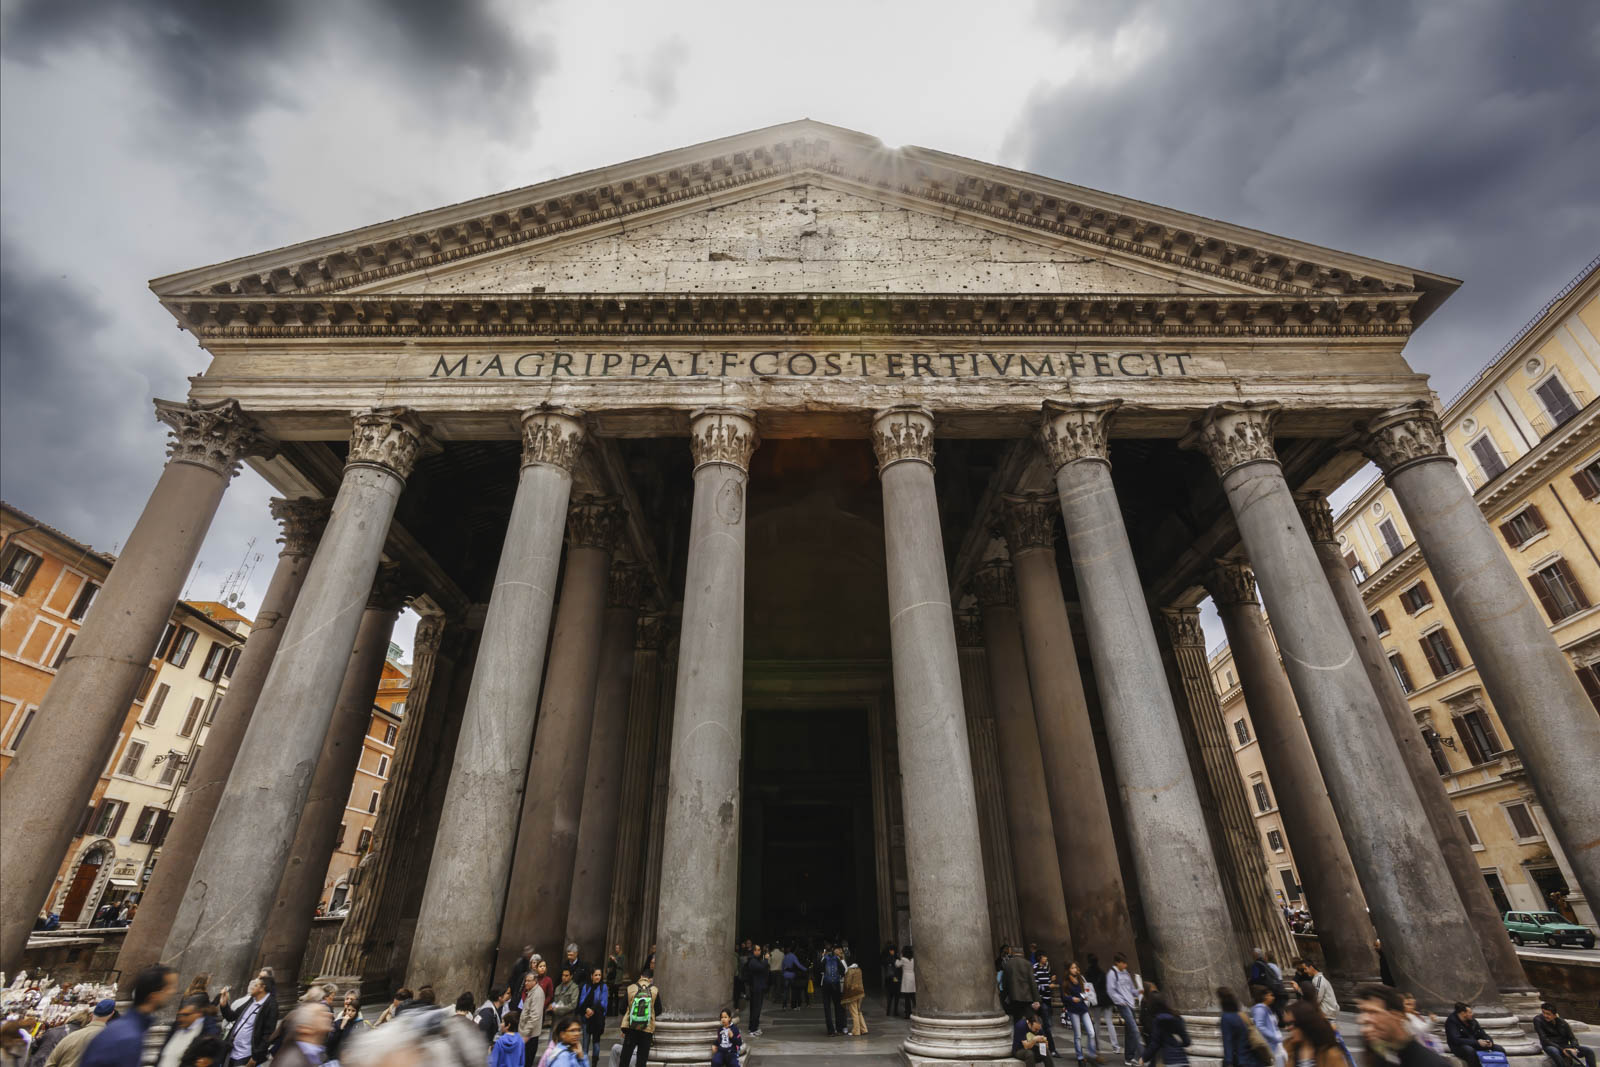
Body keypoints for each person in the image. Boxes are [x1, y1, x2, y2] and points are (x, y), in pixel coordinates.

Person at [83, 965, 178, 1067]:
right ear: (154, 996)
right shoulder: (129, 1038)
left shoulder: (123, 1028)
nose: (173, 991)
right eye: (169, 987)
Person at [1354, 984, 1452, 1067]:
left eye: (1372, 1012)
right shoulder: (1374, 1049)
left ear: (1396, 1016)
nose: (1362, 1019)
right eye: (1362, 1011)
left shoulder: (1432, 1063)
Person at [1295, 960, 1353, 1067]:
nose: (1305, 972)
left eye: (1305, 969)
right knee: (1337, 1046)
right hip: (1327, 1017)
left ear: (1311, 967)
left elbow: (1315, 998)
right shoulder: (1319, 979)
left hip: (1327, 1017)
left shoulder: (1318, 980)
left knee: (1336, 1047)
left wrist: (1299, 990)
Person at [42, 1000, 113, 1067]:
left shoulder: (70, 1037)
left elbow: (50, 1064)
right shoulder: (111, 1040)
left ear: (92, 1015)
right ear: (111, 1014)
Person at [156, 996, 221, 1067]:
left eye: (186, 1015)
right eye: (179, 1015)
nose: (181, 1018)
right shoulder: (176, 1027)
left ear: (198, 1014)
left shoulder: (209, 1033)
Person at [266, 1004, 331, 1067]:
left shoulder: (316, 1053)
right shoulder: (292, 1062)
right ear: (306, 1029)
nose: (330, 1014)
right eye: (321, 1014)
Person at [1285, 1001, 1346, 1067]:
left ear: (1305, 1023)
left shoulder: (1331, 1054)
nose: (1287, 1028)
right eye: (1287, 1024)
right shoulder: (1288, 1049)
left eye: (1292, 1023)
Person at [1109, 953, 1144, 1066]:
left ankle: (1129, 1057)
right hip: (1123, 1005)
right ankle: (1144, 1056)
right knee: (1134, 1029)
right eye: (1123, 963)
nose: (1125, 965)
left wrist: (1138, 991)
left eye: (1125, 963)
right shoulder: (1112, 974)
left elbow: (1131, 989)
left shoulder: (1126, 974)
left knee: (1129, 1031)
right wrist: (1120, 1001)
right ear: (1117, 963)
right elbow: (1111, 991)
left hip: (1130, 1003)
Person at [619, 972, 660, 1067]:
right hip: (647, 1029)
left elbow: (621, 1008)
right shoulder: (654, 990)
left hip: (631, 1028)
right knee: (642, 1060)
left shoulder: (631, 988)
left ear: (641, 977)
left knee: (625, 1058)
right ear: (650, 978)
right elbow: (658, 1010)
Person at [1534, 1003, 1595, 1067]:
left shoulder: (1562, 1022)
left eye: (1548, 1014)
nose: (1545, 1015)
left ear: (1555, 1015)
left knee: (1588, 1051)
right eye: (1543, 1012)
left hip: (1565, 1045)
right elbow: (1544, 1039)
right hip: (1551, 1045)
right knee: (1555, 1051)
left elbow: (1572, 1038)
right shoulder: (1538, 1020)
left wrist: (1574, 1048)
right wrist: (1562, 1049)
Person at [1142, 993, 1190, 1067]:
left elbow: (1155, 1044)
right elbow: (1187, 1041)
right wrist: (1177, 1046)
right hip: (1183, 1061)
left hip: (1168, 1061)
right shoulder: (1177, 1017)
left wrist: (1144, 1058)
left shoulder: (1158, 1020)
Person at [1065, 961, 1099, 1064]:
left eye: (1075, 967)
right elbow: (1064, 996)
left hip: (1083, 1008)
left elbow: (1086, 991)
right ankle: (1080, 1057)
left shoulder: (1080, 978)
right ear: (1068, 970)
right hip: (1073, 1009)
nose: (1075, 969)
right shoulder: (1066, 982)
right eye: (1072, 968)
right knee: (1078, 1035)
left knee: (1091, 1032)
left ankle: (1092, 1055)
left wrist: (1086, 995)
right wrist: (1071, 999)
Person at [1087, 953, 1120, 1059]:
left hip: (1096, 1000)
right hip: (1106, 1000)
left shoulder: (1087, 973)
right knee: (1110, 1022)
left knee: (1096, 1023)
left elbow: (1088, 988)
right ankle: (1115, 1046)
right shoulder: (1102, 972)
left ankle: (1097, 1046)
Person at [1251, 985, 1285, 1067]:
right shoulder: (1260, 1010)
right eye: (1271, 995)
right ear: (1265, 996)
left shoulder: (1266, 1009)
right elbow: (1260, 1026)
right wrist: (1273, 1037)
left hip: (1275, 1044)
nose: (1273, 998)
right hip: (1270, 1044)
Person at [577, 968, 608, 1061]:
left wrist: (592, 1010)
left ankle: (594, 1063)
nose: (598, 977)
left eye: (599, 975)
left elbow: (603, 1004)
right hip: (586, 1019)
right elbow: (581, 1002)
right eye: (596, 975)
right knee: (585, 1043)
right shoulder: (586, 986)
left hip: (597, 1020)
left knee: (596, 1044)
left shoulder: (603, 987)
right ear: (591, 976)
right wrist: (586, 1010)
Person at [1002, 945, 1039, 1021]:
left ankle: (1019, 1031)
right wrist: (1036, 999)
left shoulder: (1008, 964)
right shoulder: (1027, 964)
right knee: (1029, 1018)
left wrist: (1006, 993)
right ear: (1022, 953)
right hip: (1027, 996)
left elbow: (1004, 982)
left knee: (1017, 1018)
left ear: (1013, 952)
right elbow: (1032, 982)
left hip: (1014, 996)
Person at [1218, 988, 1253, 1067]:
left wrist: (1228, 1062)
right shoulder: (1242, 1015)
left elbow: (1227, 1040)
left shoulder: (1226, 1017)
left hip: (1238, 1059)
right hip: (1248, 1057)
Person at [740, 945, 768, 1036]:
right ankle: (753, 1029)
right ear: (753, 951)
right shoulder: (752, 961)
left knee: (755, 1009)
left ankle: (753, 1027)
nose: (759, 951)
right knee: (756, 1009)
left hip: (757, 987)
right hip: (756, 988)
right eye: (757, 950)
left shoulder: (754, 960)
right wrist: (766, 959)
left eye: (759, 950)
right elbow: (761, 967)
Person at [517, 977, 545, 1063]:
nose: (526, 983)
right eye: (525, 980)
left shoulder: (537, 994)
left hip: (530, 1036)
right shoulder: (532, 991)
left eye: (529, 981)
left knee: (526, 1061)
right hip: (526, 1033)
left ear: (535, 981)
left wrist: (526, 1034)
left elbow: (535, 1016)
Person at [820, 945, 847, 1036]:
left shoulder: (824, 959)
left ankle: (831, 1030)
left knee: (827, 1008)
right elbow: (843, 970)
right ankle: (839, 1029)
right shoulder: (836, 959)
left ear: (825, 952)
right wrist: (838, 976)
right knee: (838, 1006)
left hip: (826, 985)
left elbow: (819, 969)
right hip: (836, 984)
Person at [842, 955, 867, 1037]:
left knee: (854, 1012)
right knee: (859, 1011)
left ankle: (856, 1031)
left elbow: (847, 984)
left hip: (852, 994)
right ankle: (863, 1029)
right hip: (860, 992)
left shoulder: (849, 971)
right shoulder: (859, 969)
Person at [782, 945, 806, 1011]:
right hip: (792, 975)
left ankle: (784, 1005)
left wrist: (783, 973)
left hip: (785, 974)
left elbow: (782, 966)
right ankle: (794, 1005)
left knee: (785, 991)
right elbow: (798, 965)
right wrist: (805, 969)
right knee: (794, 991)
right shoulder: (793, 957)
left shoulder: (785, 956)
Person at [895, 946, 917, 1018]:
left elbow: (897, 965)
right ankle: (916, 1010)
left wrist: (897, 959)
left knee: (907, 997)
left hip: (906, 978)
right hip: (912, 976)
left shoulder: (903, 959)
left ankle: (908, 1013)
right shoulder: (913, 959)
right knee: (913, 996)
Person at [606, 946, 628, 1016]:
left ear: (620, 949)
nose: (616, 949)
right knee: (610, 995)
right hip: (611, 978)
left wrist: (615, 960)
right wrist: (610, 959)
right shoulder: (614, 956)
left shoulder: (622, 956)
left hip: (617, 979)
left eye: (618, 948)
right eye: (615, 948)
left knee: (616, 995)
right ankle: (609, 1012)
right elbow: (609, 965)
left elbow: (621, 966)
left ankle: (615, 1012)